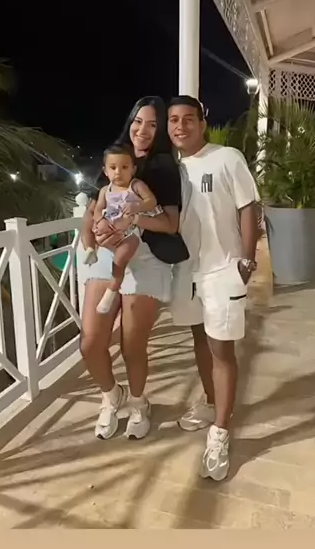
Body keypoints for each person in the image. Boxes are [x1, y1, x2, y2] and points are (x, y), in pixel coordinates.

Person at [80, 96, 188, 441]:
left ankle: (140, 403)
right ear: (130, 122)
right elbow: (93, 209)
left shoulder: (164, 168)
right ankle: (112, 396)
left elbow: (170, 224)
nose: (143, 130)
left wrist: (133, 219)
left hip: (146, 256)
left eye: (153, 124)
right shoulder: (115, 159)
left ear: (160, 131)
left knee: (132, 345)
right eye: (138, 121)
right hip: (107, 254)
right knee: (90, 343)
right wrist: (91, 237)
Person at [168, 95, 259, 482]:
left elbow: (248, 206)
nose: (181, 126)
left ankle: (220, 430)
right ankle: (209, 403)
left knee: (222, 349)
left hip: (223, 269)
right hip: (187, 272)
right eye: (173, 120)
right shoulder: (173, 170)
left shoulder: (227, 158)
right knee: (200, 340)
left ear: (202, 123)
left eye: (188, 119)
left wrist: (247, 261)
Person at [84, 143, 158, 314]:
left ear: (133, 169)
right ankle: (90, 250)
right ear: (105, 171)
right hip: (110, 226)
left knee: (121, 258)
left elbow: (151, 201)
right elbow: (97, 209)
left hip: (130, 232)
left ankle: (112, 288)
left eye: (124, 167)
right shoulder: (105, 190)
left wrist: (138, 206)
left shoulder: (136, 185)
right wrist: (100, 220)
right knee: (95, 230)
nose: (118, 172)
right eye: (113, 167)